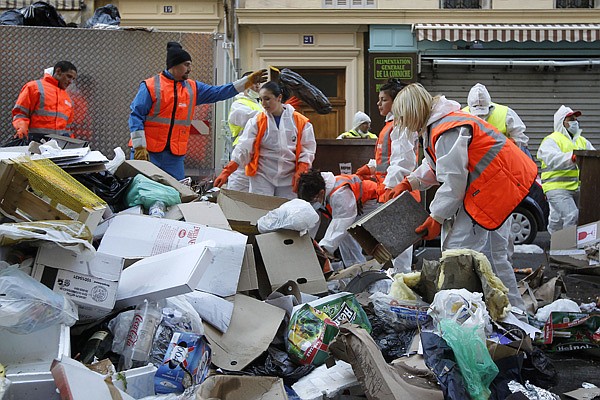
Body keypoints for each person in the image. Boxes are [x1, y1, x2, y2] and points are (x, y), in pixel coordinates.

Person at [387, 83, 538, 316]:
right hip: (500, 186)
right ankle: (514, 313)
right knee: (493, 257)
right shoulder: (443, 123)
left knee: (458, 254)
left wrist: (436, 216)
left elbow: (453, 182)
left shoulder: (446, 128)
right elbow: (436, 165)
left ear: (414, 111)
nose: (405, 125)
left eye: (404, 118)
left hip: (492, 189)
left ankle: (462, 315)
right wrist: (411, 182)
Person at [128, 41, 267, 180]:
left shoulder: (192, 88)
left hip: (174, 156)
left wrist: (246, 82)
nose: (190, 69)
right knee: (143, 189)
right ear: (174, 65)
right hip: (148, 152)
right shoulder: (151, 86)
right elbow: (136, 116)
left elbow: (219, 92)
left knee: (176, 193)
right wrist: (139, 146)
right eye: (186, 64)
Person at [214, 81, 316, 200]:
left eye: (267, 99)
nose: (264, 104)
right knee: (260, 209)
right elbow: (244, 147)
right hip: (262, 175)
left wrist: (302, 170)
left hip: (289, 177)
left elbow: (308, 149)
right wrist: (228, 170)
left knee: (287, 211)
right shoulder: (257, 121)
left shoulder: (300, 122)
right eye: (261, 99)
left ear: (279, 98)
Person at [297, 169, 378, 268]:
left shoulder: (340, 193)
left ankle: (357, 267)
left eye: (313, 201)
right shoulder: (316, 193)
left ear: (322, 193)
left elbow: (343, 221)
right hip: (355, 207)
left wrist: (324, 248)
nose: (313, 204)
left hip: (373, 202)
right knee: (343, 234)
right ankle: (355, 267)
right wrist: (304, 244)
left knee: (344, 233)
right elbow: (311, 221)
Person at [537, 105, 595, 234]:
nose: (575, 122)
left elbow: (593, 156)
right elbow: (552, 159)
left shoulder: (582, 141)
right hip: (556, 187)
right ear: (561, 122)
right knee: (572, 215)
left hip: (577, 187)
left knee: (557, 220)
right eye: (571, 119)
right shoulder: (551, 140)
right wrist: (571, 158)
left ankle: (556, 245)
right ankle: (568, 248)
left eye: (575, 119)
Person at [12, 61, 78, 144]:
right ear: (58, 71)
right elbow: (21, 113)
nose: (70, 81)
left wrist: (71, 143)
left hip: (58, 145)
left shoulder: (67, 99)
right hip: (34, 142)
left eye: (73, 79)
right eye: (69, 76)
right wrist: (21, 128)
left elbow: (67, 127)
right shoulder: (34, 87)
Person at [226, 71, 265, 192]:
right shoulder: (238, 104)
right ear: (244, 85)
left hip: (257, 153)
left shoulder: (259, 105)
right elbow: (253, 118)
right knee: (238, 190)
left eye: (259, 83)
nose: (257, 86)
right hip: (242, 153)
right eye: (254, 82)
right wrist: (276, 111)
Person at [463, 83, 529, 151]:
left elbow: (520, 138)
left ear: (489, 105)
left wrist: (503, 146)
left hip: (502, 156)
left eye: (483, 111)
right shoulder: (461, 115)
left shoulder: (505, 113)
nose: (480, 115)